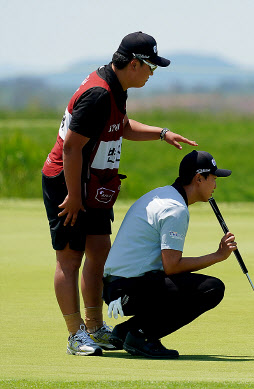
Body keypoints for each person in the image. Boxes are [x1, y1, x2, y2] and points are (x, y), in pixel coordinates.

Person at [42, 31, 197, 356]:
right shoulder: (98, 93)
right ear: (135, 64)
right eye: (151, 67)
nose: (152, 74)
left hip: (94, 184)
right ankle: (75, 335)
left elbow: (121, 126)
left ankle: (96, 328)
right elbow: (71, 148)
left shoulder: (116, 87)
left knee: (99, 251)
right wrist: (73, 196)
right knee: (70, 259)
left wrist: (162, 133)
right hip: (68, 182)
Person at [102, 150, 237, 359]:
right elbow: (172, 266)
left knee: (177, 283)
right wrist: (218, 255)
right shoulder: (175, 209)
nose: (215, 186)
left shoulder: (165, 195)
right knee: (212, 289)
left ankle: (126, 331)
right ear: (199, 179)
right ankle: (142, 336)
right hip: (127, 290)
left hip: (119, 287)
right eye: (213, 178)